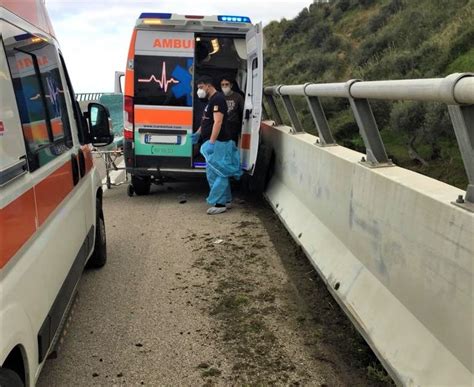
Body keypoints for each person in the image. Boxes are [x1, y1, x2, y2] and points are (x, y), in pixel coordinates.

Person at [191, 75, 242, 215]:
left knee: (217, 173)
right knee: (219, 171)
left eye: (201, 87)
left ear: (208, 85)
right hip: (214, 141)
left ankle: (220, 204)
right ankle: (226, 201)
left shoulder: (218, 99)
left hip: (219, 142)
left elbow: (218, 122)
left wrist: (212, 142)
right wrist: (197, 133)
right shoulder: (211, 100)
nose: (199, 91)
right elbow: (206, 120)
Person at [220, 76, 244, 145]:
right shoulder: (218, 96)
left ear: (231, 85)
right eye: (222, 84)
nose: (224, 86)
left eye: (226, 84)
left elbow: (242, 112)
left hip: (233, 126)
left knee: (231, 147)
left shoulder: (238, 97)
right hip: (220, 125)